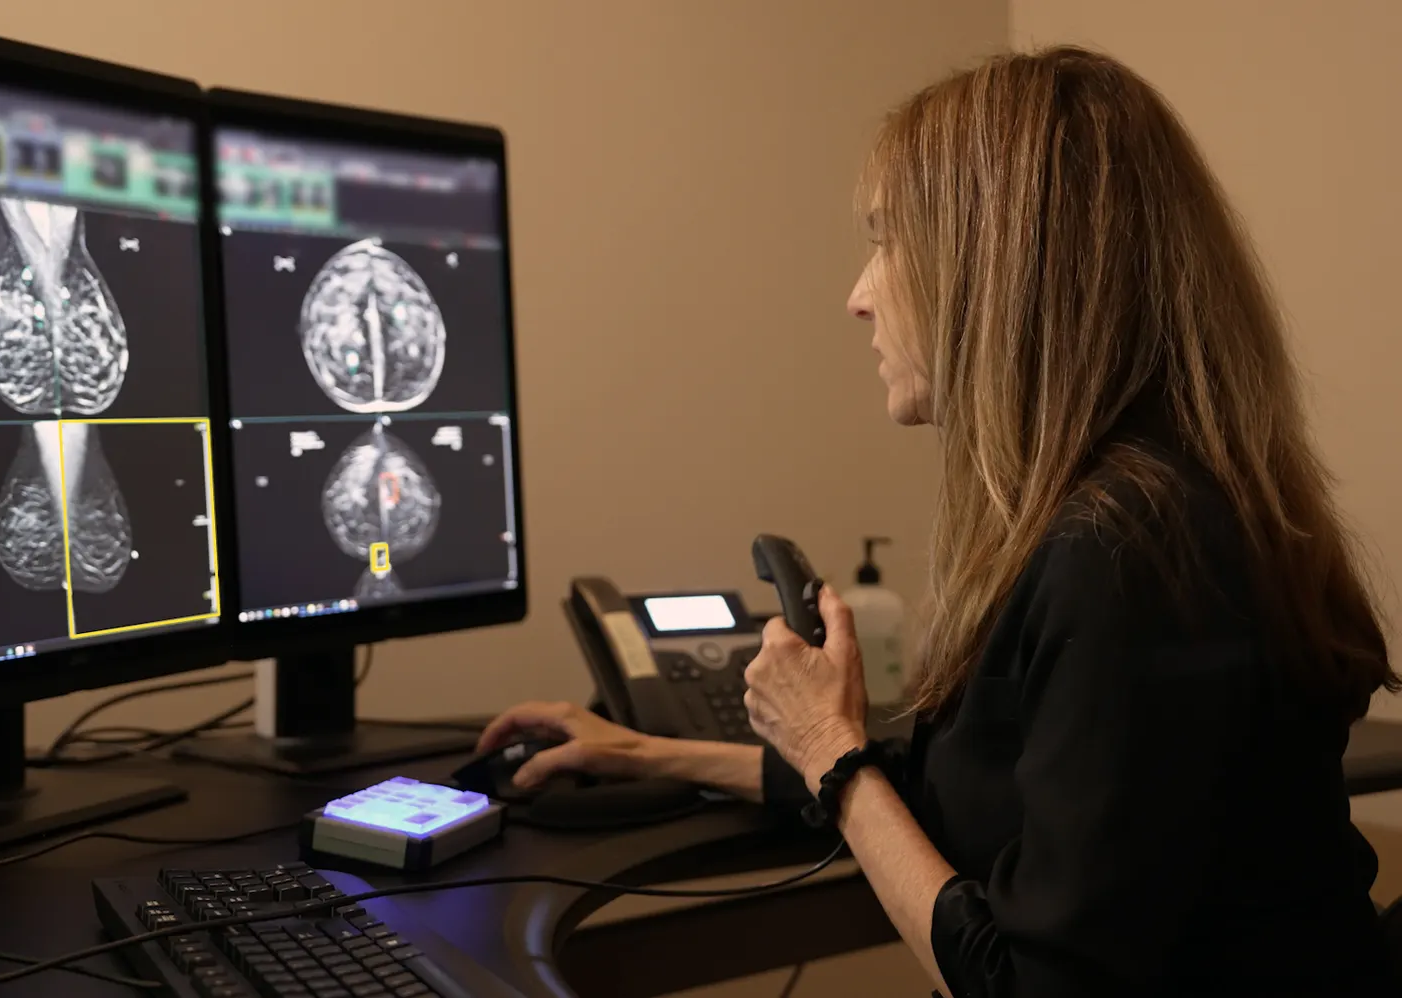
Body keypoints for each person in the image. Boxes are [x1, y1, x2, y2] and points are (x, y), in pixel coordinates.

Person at [478, 46, 1402, 998]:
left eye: (886, 240)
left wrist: (834, 753)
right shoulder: (1158, 505)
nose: (858, 294)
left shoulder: (1123, 555)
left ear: (996, 267)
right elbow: (972, 789)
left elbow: (1029, 987)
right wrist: (653, 751)